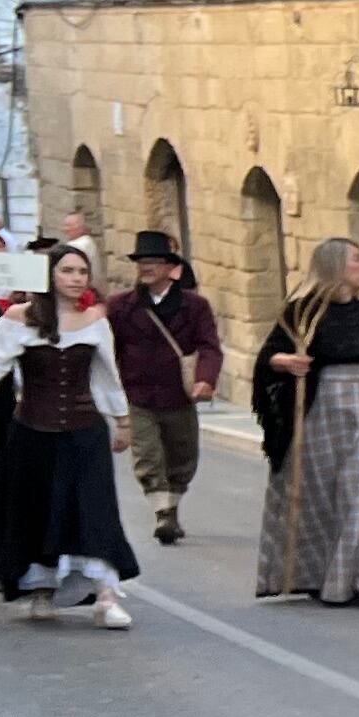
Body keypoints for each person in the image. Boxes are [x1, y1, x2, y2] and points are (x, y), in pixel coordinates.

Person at [0, 242, 142, 628]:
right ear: (49, 275)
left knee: (94, 510)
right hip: (32, 432)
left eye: (81, 272)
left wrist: (123, 421)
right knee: (38, 510)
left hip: (84, 433)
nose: (76, 279)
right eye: (67, 271)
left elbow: (107, 375)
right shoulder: (19, 318)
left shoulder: (95, 320)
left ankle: (105, 595)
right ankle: (41, 590)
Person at [252, 236, 359, 609]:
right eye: (357, 259)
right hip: (319, 410)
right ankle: (323, 577)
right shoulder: (300, 313)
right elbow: (267, 358)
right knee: (322, 498)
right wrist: (286, 363)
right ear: (337, 265)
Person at [107, 229, 223, 542]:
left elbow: (210, 346)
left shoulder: (195, 306)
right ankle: (161, 515)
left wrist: (205, 379)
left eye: (154, 261)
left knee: (182, 457)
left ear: (170, 267)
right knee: (148, 456)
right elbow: (109, 349)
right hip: (138, 394)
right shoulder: (120, 307)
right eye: (142, 261)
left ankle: (171, 508)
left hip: (180, 395)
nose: (146, 267)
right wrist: (112, 389)